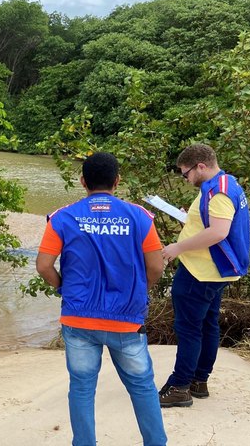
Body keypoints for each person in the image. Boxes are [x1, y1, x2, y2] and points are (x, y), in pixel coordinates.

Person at [37, 152, 166, 446]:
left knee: (82, 387)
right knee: (142, 386)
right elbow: (156, 266)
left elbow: (44, 266)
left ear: (82, 182)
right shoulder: (139, 217)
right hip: (126, 319)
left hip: (78, 318)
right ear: (117, 181)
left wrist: (62, 288)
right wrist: (139, 291)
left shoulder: (63, 217)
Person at [158, 144, 250, 408]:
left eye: (185, 173)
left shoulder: (218, 191)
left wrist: (178, 247)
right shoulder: (227, 182)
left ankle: (179, 386)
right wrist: (192, 220)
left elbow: (219, 232)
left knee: (188, 329)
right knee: (208, 324)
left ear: (200, 166)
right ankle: (199, 381)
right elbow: (214, 223)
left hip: (201, 271)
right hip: (213, 271)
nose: (185, 179)